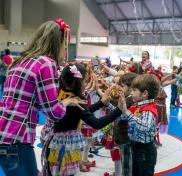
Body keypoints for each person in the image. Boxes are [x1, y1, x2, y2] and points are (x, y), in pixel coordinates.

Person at [0, 19, 82, 176]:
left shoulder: (19, 61)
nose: (65, 51)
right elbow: (54, 112)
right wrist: (66, 101)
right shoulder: (46, 63)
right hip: (18, 139)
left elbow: (25, 100)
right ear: (57, 43)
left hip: (4, 133)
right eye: (65, 46)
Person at [43, 64, 122, 176]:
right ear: (78, 82)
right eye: (85, 81)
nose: (86, 84)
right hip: (64, 146)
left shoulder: (62, 94)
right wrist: (119, 110)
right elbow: (96, 123)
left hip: (54, 141)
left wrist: (100, 103)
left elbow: (79, 113)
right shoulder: (75, 99)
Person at [118, 74, 160, 176]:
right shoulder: (137, 106)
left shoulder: (148, 110)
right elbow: (123, 117)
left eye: (134, 90)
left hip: (145, 151)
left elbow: (144, 127)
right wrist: (118, 107)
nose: (131, 93)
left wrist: (125, 111)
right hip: (136, 148)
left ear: (145, 93)